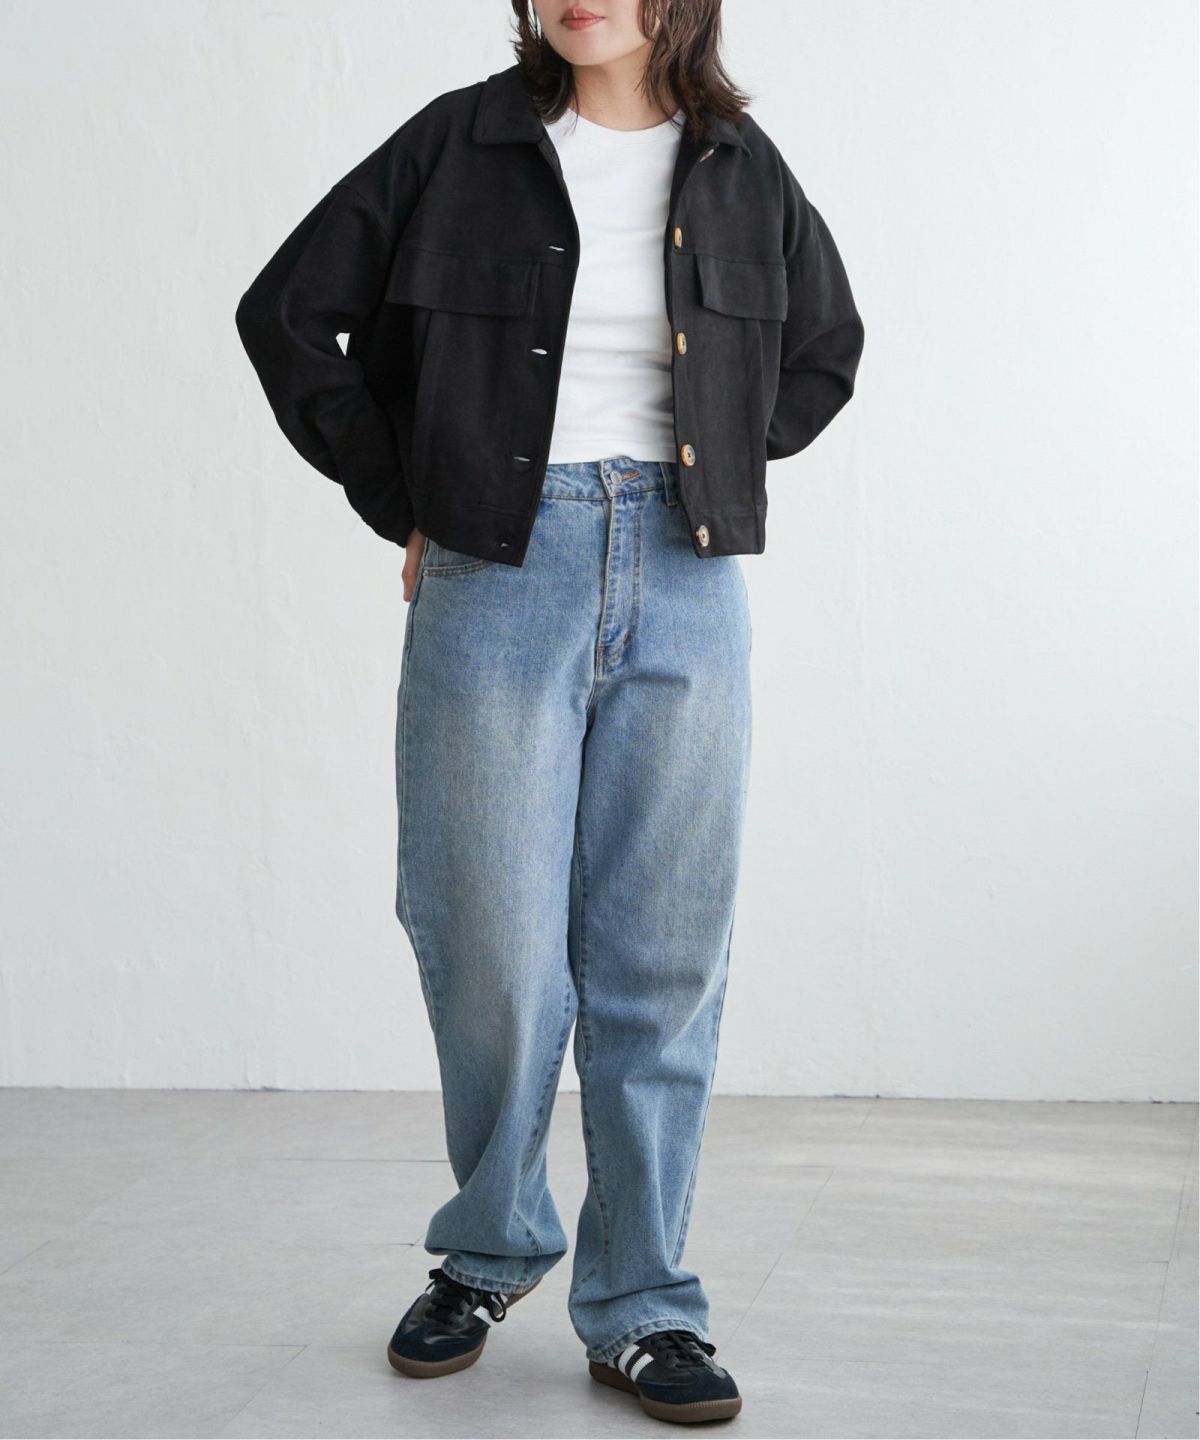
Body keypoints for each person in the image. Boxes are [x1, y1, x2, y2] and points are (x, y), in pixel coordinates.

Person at [235, 0, 863, 1423]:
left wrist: (710, 468)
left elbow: (824, 350)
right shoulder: (457, 142)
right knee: (490, 945)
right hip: (497, 574)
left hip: (689, 582)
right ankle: (489, 1249)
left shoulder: (738, 164)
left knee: (662, 959)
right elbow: (288, 314)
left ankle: (645, 1302)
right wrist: (411, 493)